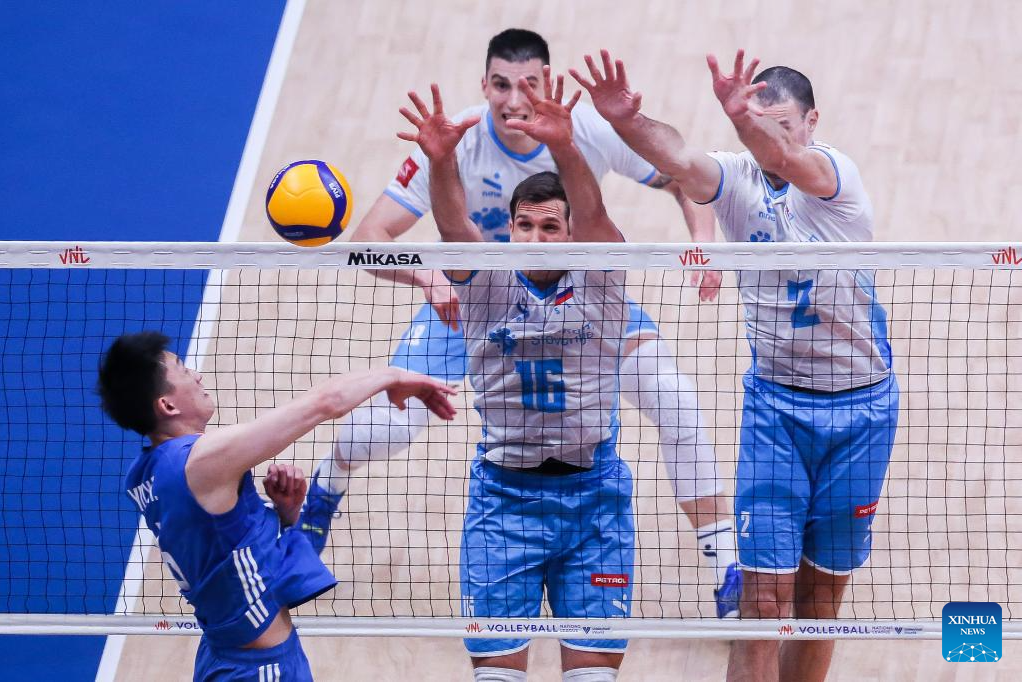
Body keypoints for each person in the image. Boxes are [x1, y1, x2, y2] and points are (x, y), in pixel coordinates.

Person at [301, 27, 742, 619]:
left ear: (546, 81)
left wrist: (702, 243)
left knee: (674, 399)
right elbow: (369, 240)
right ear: (484, 85)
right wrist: (428, 278)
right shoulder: (454, 139)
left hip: (581, 304)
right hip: (473, 309)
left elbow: (683, 178)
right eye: (501, 86)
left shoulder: (582, 129)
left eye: (527, 84)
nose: (514, 101)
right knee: (385, 430)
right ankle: (323, 491)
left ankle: (727, 569)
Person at [572, 49, 899, 682]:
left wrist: (745, 121)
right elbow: (678, 158)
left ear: (810, 123)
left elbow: (780, 158)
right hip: (776, 410)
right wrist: (625, 123)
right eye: (761, 123)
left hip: (862, 411)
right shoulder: (733, 178)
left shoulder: (834, 175)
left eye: (785, 124)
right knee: (762, 604)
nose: (775, 137)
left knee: (821, 601)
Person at [398, 68, 634, 681]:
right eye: (524, 225)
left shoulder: (603, 287)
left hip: (594, 501)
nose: (534, 236)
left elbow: (598, 213)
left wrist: (564, 144)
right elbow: (454, 227)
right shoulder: (488, 289)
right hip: (505, 503)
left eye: (550, 225)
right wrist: (442, 161)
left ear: (572, 233)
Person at [98, 331, 456, 681]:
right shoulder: (200, 464)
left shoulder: (143, 475)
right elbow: (324, 403)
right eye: (183, 370)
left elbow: (232, 556)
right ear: (168, 405)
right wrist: (393, 376)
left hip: (222, 655)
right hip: (258, 668)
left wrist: (285, 515)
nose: (198, 374)